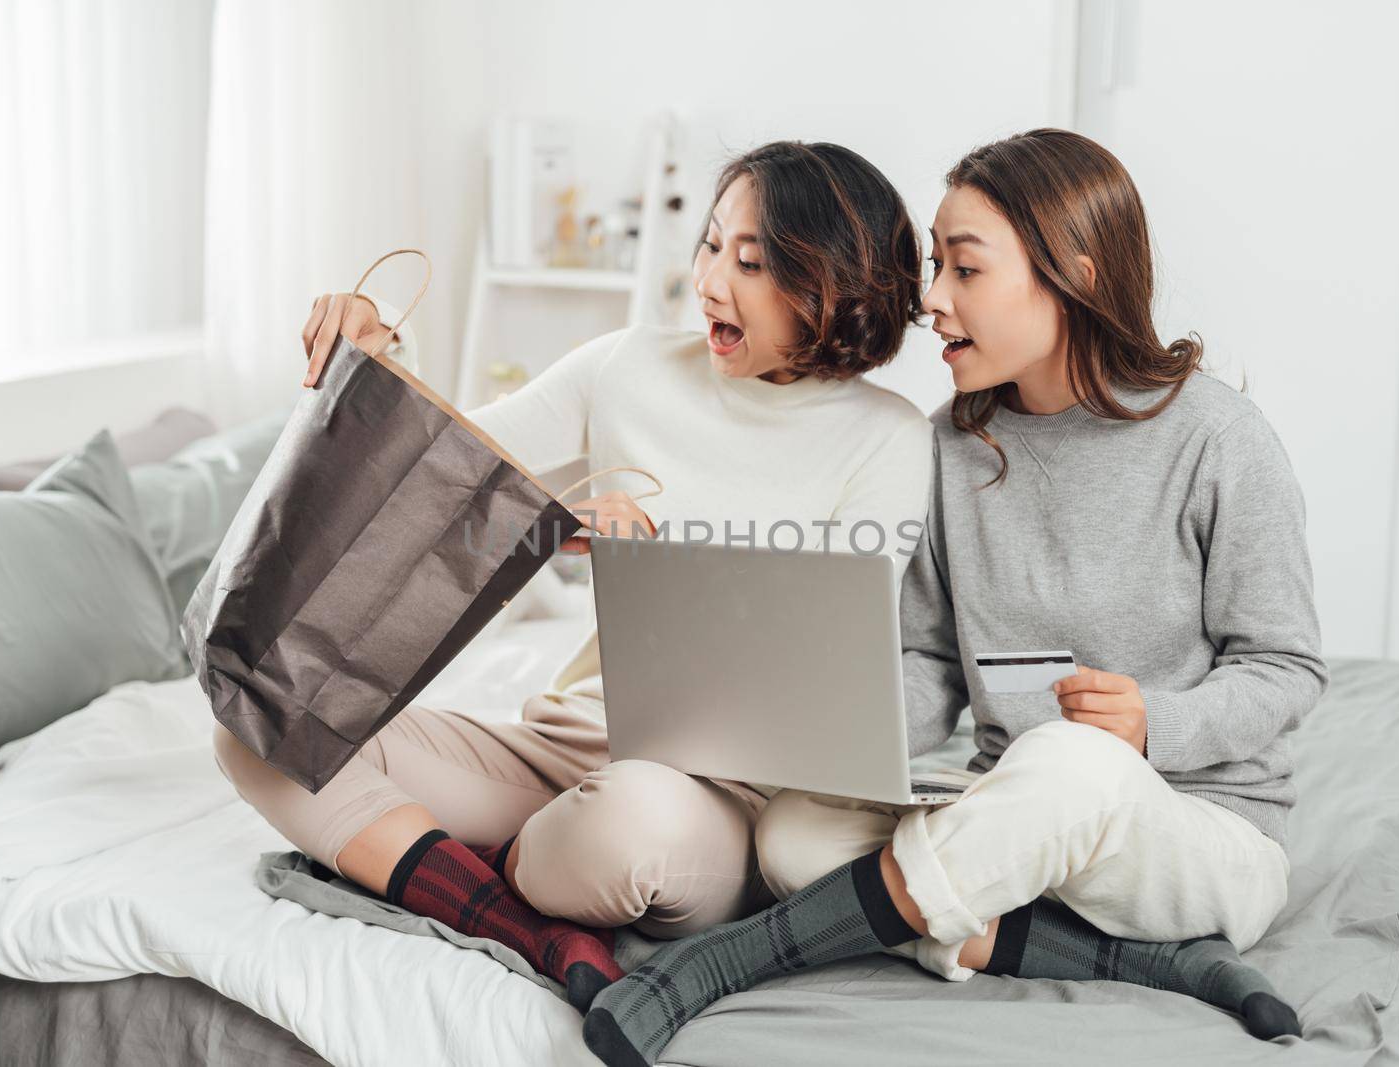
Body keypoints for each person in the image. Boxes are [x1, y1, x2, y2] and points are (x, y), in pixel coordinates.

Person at [580, 129, 1324, 1065]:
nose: (930, 300)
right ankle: (1131, 959)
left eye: (964, 270)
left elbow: (1286, 668)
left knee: (1075, 764)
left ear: (1076, 278)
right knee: (797, 830)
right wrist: (840, 723)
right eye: (937, 265)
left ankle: (730, 960)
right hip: (1004, 809)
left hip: (1195, 833)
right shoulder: (952, 446)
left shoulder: (1219, 441)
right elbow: (930, 657)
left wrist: (1152, 727)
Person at [212, 141, 937, 1009]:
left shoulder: (890, 438)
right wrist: (375, 350)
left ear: (838, 286)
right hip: (562, 745)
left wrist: (661, 567)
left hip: (719, 796)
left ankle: (444, 857)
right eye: (710, 246)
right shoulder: (627, 366)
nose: (709, 283)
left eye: (751, 263)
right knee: (258, 724)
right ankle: (519, 921)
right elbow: (441, 470)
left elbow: (825, 660)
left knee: (629, 830)